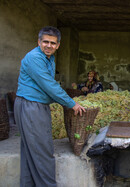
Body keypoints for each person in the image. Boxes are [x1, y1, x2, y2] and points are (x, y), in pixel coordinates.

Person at [14, 26, 86, 187]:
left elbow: (47, 86)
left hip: (34, 104)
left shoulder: (49, 59)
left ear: (58, 45)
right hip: (31, 106)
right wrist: (71, 103)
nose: (49, 46)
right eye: (45, 42)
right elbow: (49, 86)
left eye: (52, 43)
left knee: (30, 152)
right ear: (38, 42)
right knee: (43, 152)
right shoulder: (34, 58)